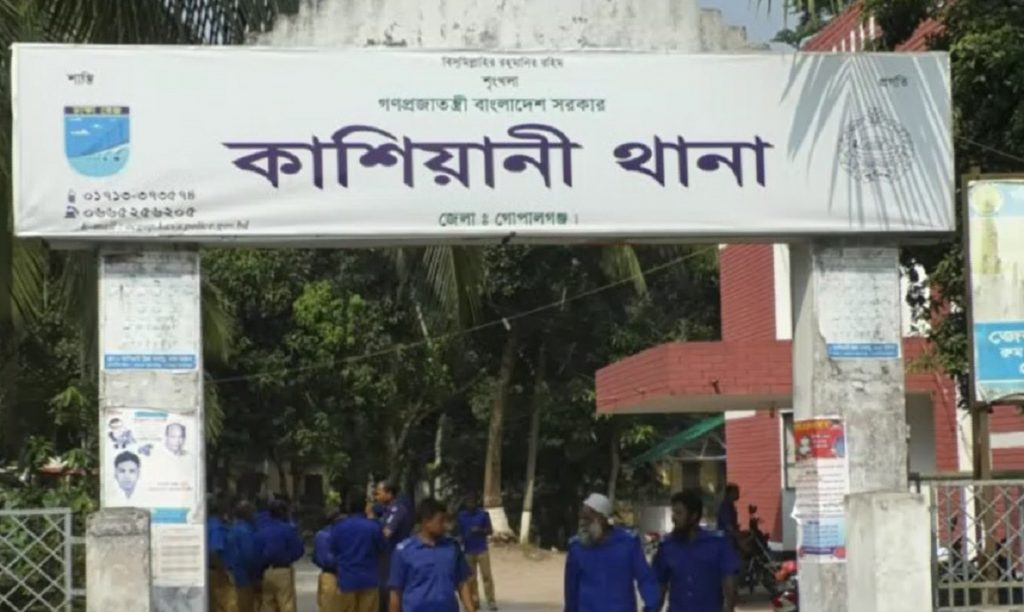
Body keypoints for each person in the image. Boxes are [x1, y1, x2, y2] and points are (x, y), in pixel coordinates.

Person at [564, 493, 659, 612]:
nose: (583, 525)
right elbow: (571, 592)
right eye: (581, 519)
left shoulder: (628, 544)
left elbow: (645, 579)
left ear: (602, 519)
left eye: (588, 519)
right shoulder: (577, 548)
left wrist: (651, 606)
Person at [653, 490, 740, 612]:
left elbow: (729, 580)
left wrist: (728, 607)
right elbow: (660, 585)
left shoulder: (717, 544)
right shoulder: (667, 546)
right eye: (673, 512)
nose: (673, 518)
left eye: (679, 513)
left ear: (693, 516)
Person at [388, 498, 476, 612]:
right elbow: (395, 593)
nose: (445, 526)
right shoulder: (403, 551)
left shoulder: (452, 547)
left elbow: (462, 584)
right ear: (426, 521)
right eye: (441, 521)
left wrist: (471, 609)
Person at [332, 489, 386, 612]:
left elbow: (333, 550)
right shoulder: (373, 527)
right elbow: (383, 548)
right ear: (365, 506)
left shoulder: (339, 527)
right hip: (369, 580)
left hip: (346, 581)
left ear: (348, 506)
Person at [255, 499, 305, 612]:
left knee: (268, 604)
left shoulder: (262, 530)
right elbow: (299, 550)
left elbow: (256, 553)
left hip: (266, 572)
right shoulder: (288, 529)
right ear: (284, 513)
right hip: (283, 570)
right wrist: (288, 558)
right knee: (286, 604)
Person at [375, 481, 412, 612]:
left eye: (379, 493)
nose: (377, 496)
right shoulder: (385, 511)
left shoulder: (397, 510)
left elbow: (387, 533)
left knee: (392, 598)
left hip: (394, 560)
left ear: (389, 494)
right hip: (384, 561)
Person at [456, 493, 497, 611]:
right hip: (468, 550)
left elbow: (490, 531)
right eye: (468, 502)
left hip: (482, 549)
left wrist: (480, 530)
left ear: (476, 503)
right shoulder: (461, 516)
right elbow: (459, 533)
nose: (470, 505)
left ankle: (491, 601)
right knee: (471, 578)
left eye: (472, 502)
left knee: (486, 576)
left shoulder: (483, 514)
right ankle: (475, 600)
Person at [226, 501, 263, 612]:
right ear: (247, 514)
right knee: (247, 607)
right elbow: (249, 555)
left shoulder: (232, 529)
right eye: (253, 512)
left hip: (233, 575)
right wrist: (257, 576)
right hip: (246, 577)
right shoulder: (245, 531)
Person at [208, 496, 234, 612]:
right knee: (226, 605)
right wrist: (223, 571)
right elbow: (214, 551)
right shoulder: (217, 527)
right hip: (218, 573)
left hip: (211, 572)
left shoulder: (208, 524)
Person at [315, 507, 343, 612]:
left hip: (327, 574)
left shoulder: (320, 535)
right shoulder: (344, 534)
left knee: (325, 607)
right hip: (343, 575)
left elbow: (316, 558)